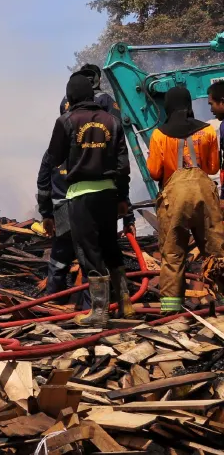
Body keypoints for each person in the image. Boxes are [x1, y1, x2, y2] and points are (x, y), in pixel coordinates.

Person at [44, 74, 134, 327]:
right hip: (108, 192)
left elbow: (55, 158)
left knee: (91, 252)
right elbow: (123, 166)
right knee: (111, 247)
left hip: (81, 194)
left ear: (70, 97)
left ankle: (99, 312)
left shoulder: (66, 121)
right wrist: (123, 197)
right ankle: (126, 303)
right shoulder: (113, 122)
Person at [146, 86, 224, 313]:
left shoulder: (159, 135)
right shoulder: (208, 132)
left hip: (174, 200)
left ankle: (171, 312)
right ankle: (222, 303)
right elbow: (212, 167)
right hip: (204, 197)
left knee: (172, 255)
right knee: (217, 252)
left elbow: (153, 172)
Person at [38, 93, 119, 303]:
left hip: (63, 210)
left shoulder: (53, 150)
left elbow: (43, 184)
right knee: (88, 256)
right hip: (82, 207)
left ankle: (53, 300)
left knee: (60, 257)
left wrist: (46, 214)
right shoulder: (93, 147)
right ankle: (89, 305)